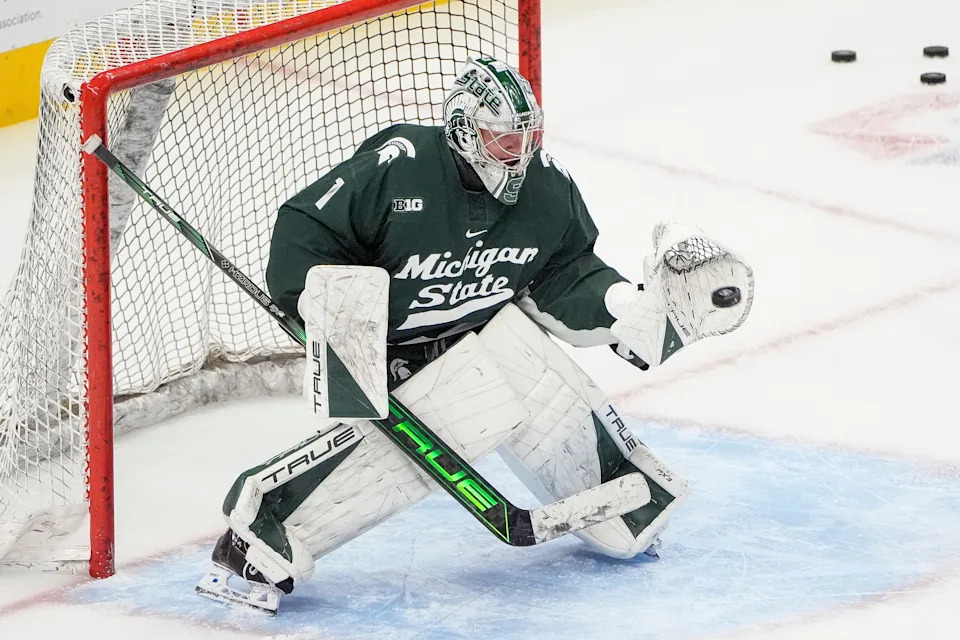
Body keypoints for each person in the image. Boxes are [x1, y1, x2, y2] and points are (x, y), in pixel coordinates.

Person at [195, 56, 753, 613]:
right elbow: (307, 229)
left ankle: (627, 507)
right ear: (465, 129)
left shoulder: (548, 188)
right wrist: (328, 310)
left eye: (528, 140)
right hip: (395, 349)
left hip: (475, 326)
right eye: (505, 141)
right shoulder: (400, 166)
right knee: (467, 404)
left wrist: (627, 311)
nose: (521, 156)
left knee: (533, 371)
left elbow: (564, 272)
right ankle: (259, 537)